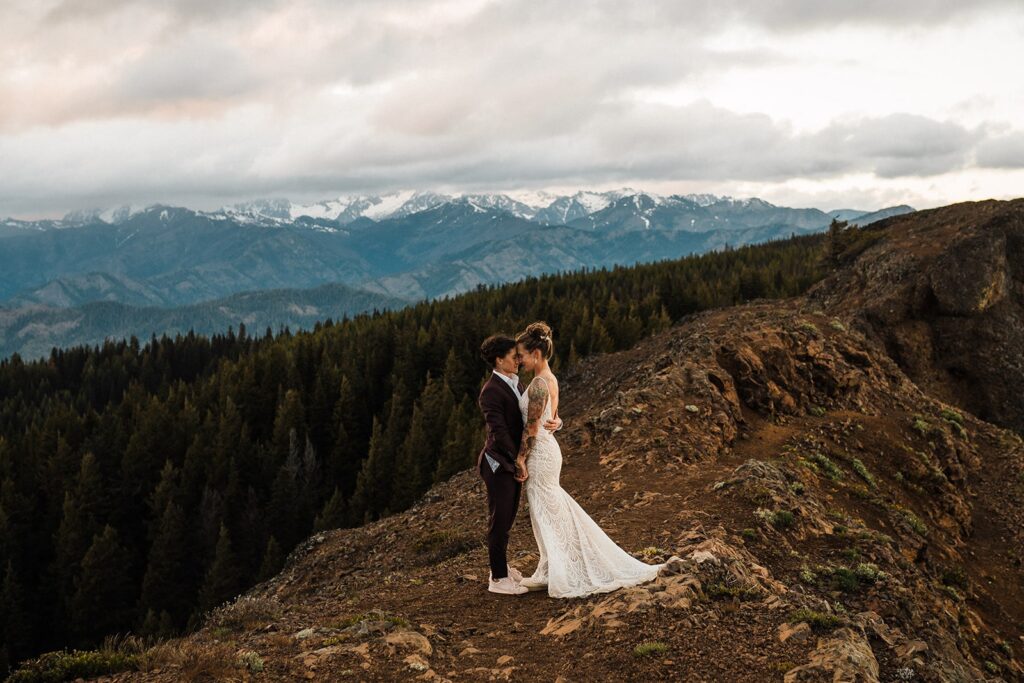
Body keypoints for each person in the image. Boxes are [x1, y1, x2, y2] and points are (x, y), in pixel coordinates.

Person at [514, 322, 666, 598]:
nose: (519, 361)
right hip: (548, 450)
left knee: (546, 512)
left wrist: (521, 458)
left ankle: (560, 568)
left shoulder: (538, 383)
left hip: (540, 455)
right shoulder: (551, 379)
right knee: (547, 512)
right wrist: (557, 423)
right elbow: (552, 417)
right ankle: (550, 566)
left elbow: (534, 427)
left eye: (522, 355)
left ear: (535, 353)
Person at [476, 334, 561, 595]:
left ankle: (500, 567)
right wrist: (519, 458)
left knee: (508, 517)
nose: (518, 360)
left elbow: (534, 416)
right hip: (498, 463)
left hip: (512, 461)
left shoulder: (516, 383)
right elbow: (499, 432)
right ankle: (498, 578)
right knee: (499, 519)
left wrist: (556, 423)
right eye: (514, 357)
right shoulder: (491, 391)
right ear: (499, 360)